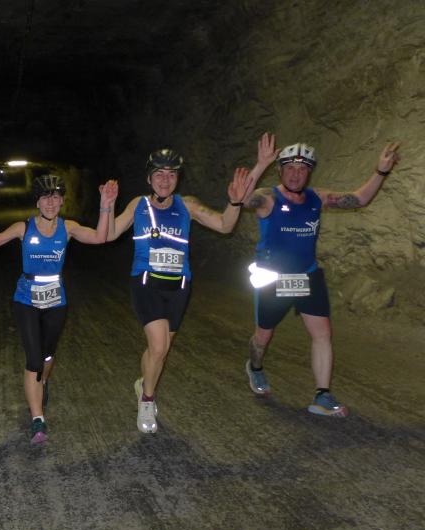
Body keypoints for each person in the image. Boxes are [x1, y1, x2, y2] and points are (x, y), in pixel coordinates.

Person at [106, 134, 275, 433]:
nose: (165, 180)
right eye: (159, 173)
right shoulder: (138, 205)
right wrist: (106, 207)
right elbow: (108, 234)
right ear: (149, 177)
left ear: (178, 179)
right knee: (159, 346)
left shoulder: (188, 206)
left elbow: (225, 224)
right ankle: (147, 400)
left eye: (171, 174)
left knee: (160, 349)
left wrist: (241, 193)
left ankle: (143, 382)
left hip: (179, 287)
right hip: (145, 283)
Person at [0, 174, 119, 444]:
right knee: (34, 360)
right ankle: (38, 419)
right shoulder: (23, 228)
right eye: (45, 197)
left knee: (48, 355)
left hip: (56, 301)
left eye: (56, 197)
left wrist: (106, 205)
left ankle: (43, 382)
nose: (50, 202)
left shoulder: (68, 228)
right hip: (26, 300)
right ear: (37, 202)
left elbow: (100, 238)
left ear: (62, 201)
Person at [243, 140, 401, 417]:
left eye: (302, 169)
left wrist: (381, 171)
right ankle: (255, 367)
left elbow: (359, 199)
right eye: (290, 168)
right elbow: (242, 199)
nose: (295, 174)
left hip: (308, 274)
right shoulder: (268, 198)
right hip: (273, 278)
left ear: (310, 172)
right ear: (280, 170)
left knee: (323, 334)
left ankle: (322, 396)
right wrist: (260, 165)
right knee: (263, 335)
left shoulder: (317, 198)